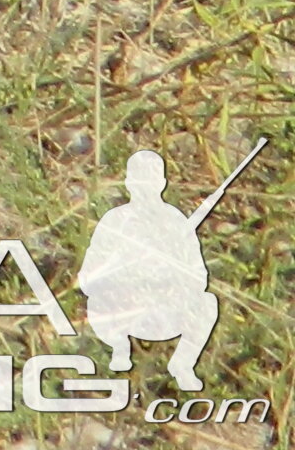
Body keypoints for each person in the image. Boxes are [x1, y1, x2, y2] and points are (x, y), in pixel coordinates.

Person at [76, 151, 221, 389]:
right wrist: (124, 273)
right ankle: (119, 349)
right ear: (129, 183)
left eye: (152, 180)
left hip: (165, 309)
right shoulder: (114, 221)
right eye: (140, 180)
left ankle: (183, 364)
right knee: (97, 301)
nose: (146, 187)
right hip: (124, 309)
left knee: (207, 303)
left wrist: (171, 274)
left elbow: (199, 276)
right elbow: (89, 277)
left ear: (162, 183)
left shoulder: (175, 221)